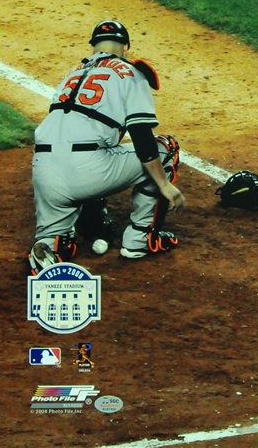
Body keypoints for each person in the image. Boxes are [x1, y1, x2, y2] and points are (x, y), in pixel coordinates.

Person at [28, 20, 185, 274]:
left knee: (56, 237)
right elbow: (142, 136)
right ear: (125, 48)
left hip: (44, 170)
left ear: (93, 47)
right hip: (89, 170)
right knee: (166, 148)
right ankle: (140, 238)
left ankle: (49, 246)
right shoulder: (130, 72)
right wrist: (164, 184)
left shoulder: (71, 74)